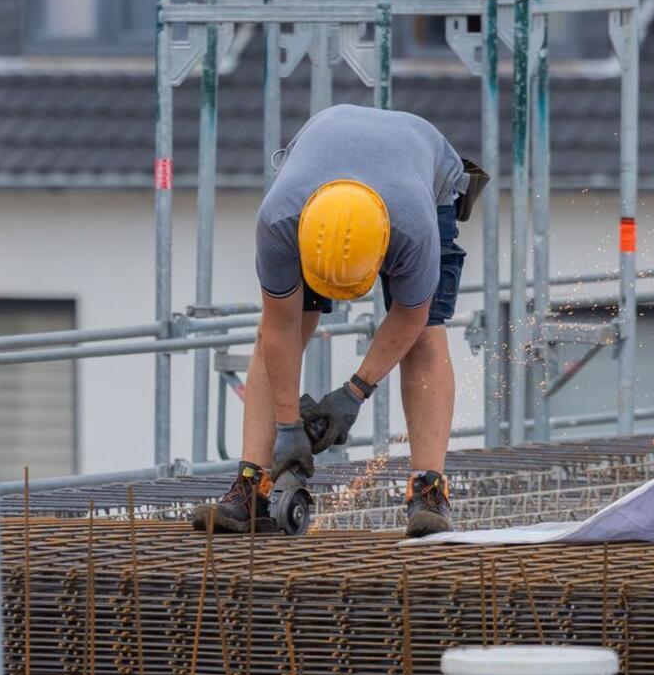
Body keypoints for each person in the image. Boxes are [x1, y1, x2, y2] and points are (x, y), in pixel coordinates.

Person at [192, 103, 482, 537]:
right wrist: (288, 425)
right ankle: (253, 484)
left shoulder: (414, 229)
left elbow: (410, 314)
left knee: (426, 335)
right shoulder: (280, 220)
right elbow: (279, 328)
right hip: (319, 173)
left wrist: (354, 392)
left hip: (421, 167)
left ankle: (429, 489)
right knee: (277, 334)